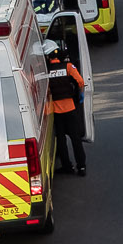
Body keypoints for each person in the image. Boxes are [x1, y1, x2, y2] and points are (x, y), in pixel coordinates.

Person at [47, 42, 88, 176]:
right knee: (76, 139)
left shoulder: (45, 71)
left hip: (56, 112)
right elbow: (80, 81)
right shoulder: (68, 66)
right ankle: (81, 167)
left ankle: (67, 167)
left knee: (61, 141)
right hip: (70, 108)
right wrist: (80, 94)